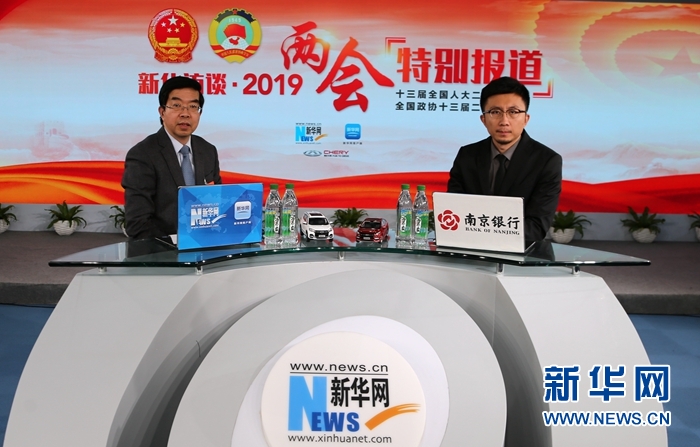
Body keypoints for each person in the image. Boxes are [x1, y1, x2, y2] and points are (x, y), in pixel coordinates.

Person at [447, 76, 562, 241]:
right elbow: (454, 211)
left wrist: (482, 231)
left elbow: (537, 226)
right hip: (470, 249)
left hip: (520, 252)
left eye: (513, 112)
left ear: (526, 119)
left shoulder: (546, 161)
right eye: (495, 112)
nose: (504, 121)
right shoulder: (467, 156)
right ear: (483, 119)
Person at [122, 76, 222, 240]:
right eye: (176, 106)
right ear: (162, 112)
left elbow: (217, 205)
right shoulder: (142, 154)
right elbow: (138, 224)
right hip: (162, 250)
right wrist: (179, 243)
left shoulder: (208, 151)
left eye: (193, 107)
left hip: (205, 246)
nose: (185, 114)